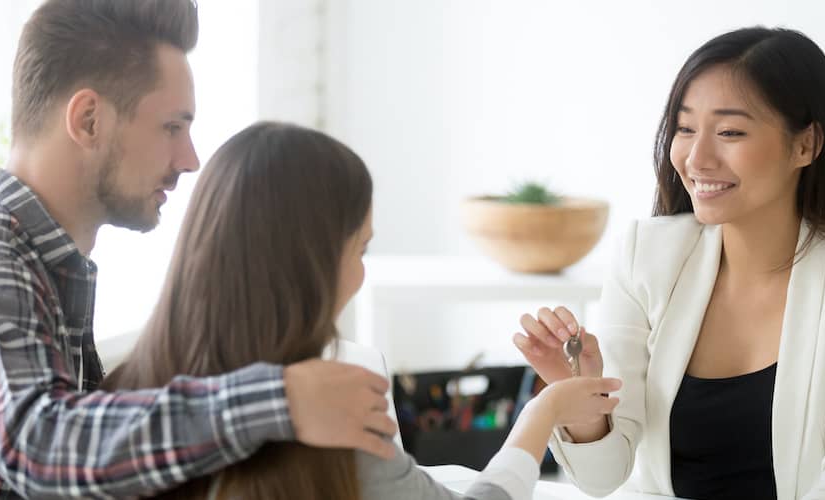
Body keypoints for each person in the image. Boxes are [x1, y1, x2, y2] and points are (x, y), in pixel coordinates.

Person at [0, 1, 396, 498]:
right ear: (88, 119)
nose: (191, 158)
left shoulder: (42, 268)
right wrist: (283, 400)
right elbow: (43, 447)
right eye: (172, 127)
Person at [103, 121, 623, 500]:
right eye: (361, 250)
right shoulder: (334, 415)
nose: (361, 274)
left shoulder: (118, 394)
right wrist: (544, 410)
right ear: (315, 266)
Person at [513, 27, 825, 500]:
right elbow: (605, 477)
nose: (697, 157)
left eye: (729, 132)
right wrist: (584, 400)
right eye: (685, 129)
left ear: (805, 145)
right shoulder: (646, 253)